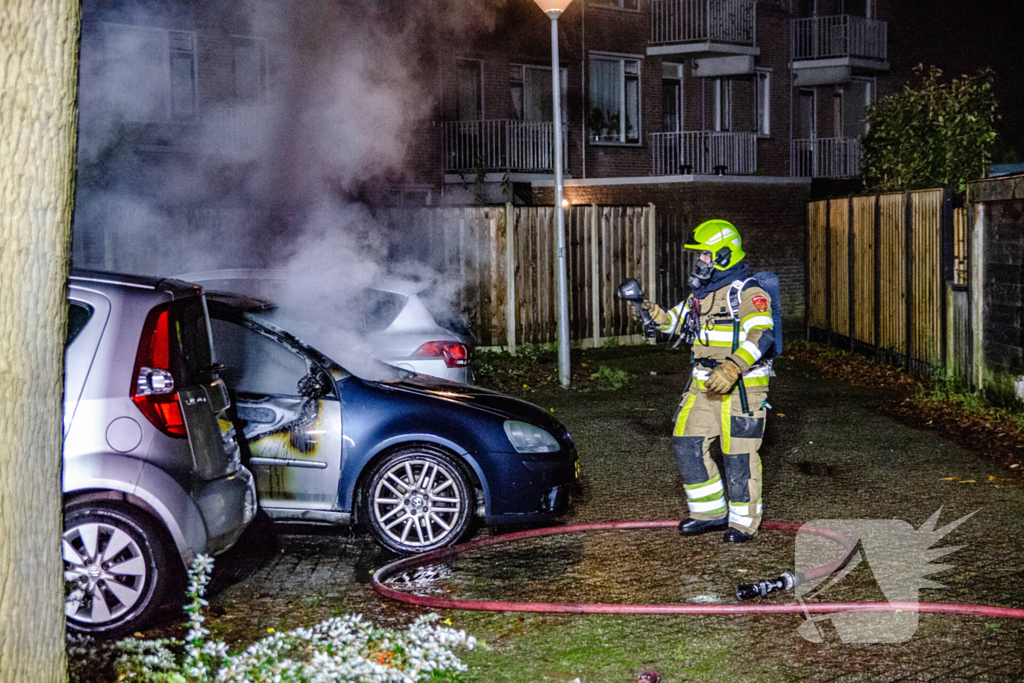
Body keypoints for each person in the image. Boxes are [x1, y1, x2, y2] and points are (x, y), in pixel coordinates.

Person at [643, 220, 775, 543]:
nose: (699, 261)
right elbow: (676, 322)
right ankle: (709, 513)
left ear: (724, 256)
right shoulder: (701, 294)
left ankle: (744, 523)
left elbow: (763, 334)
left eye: (705, 255)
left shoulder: (747, 291)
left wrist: (732, 368)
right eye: (699, 256)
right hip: (704, 384)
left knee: (739, 457)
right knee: (686, 442)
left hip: (742, 388)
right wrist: (655, 314)